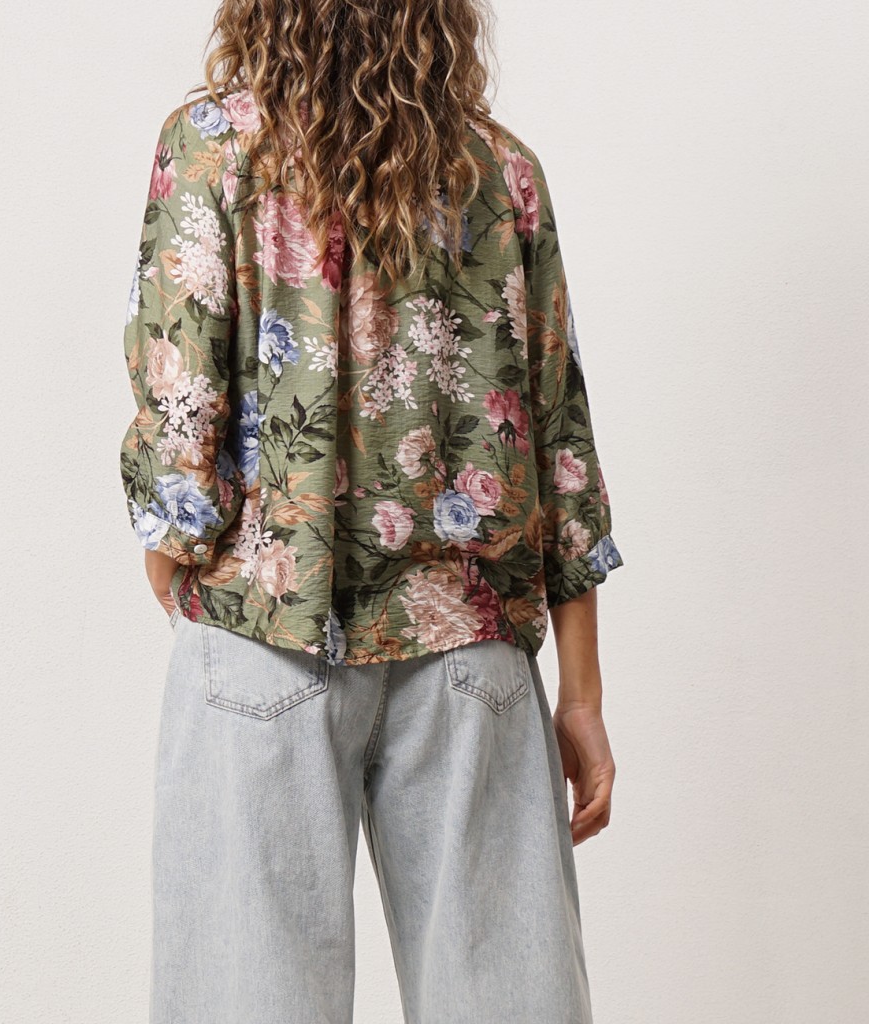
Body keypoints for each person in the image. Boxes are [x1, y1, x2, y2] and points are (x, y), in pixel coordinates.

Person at [119, 2, 625, 1020]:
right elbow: (558, 439)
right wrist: (581, 694)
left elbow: (181, 418)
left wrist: (175, 549)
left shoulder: (212, 150)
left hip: (263, 633)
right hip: (469, 651)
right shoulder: (501, 172)